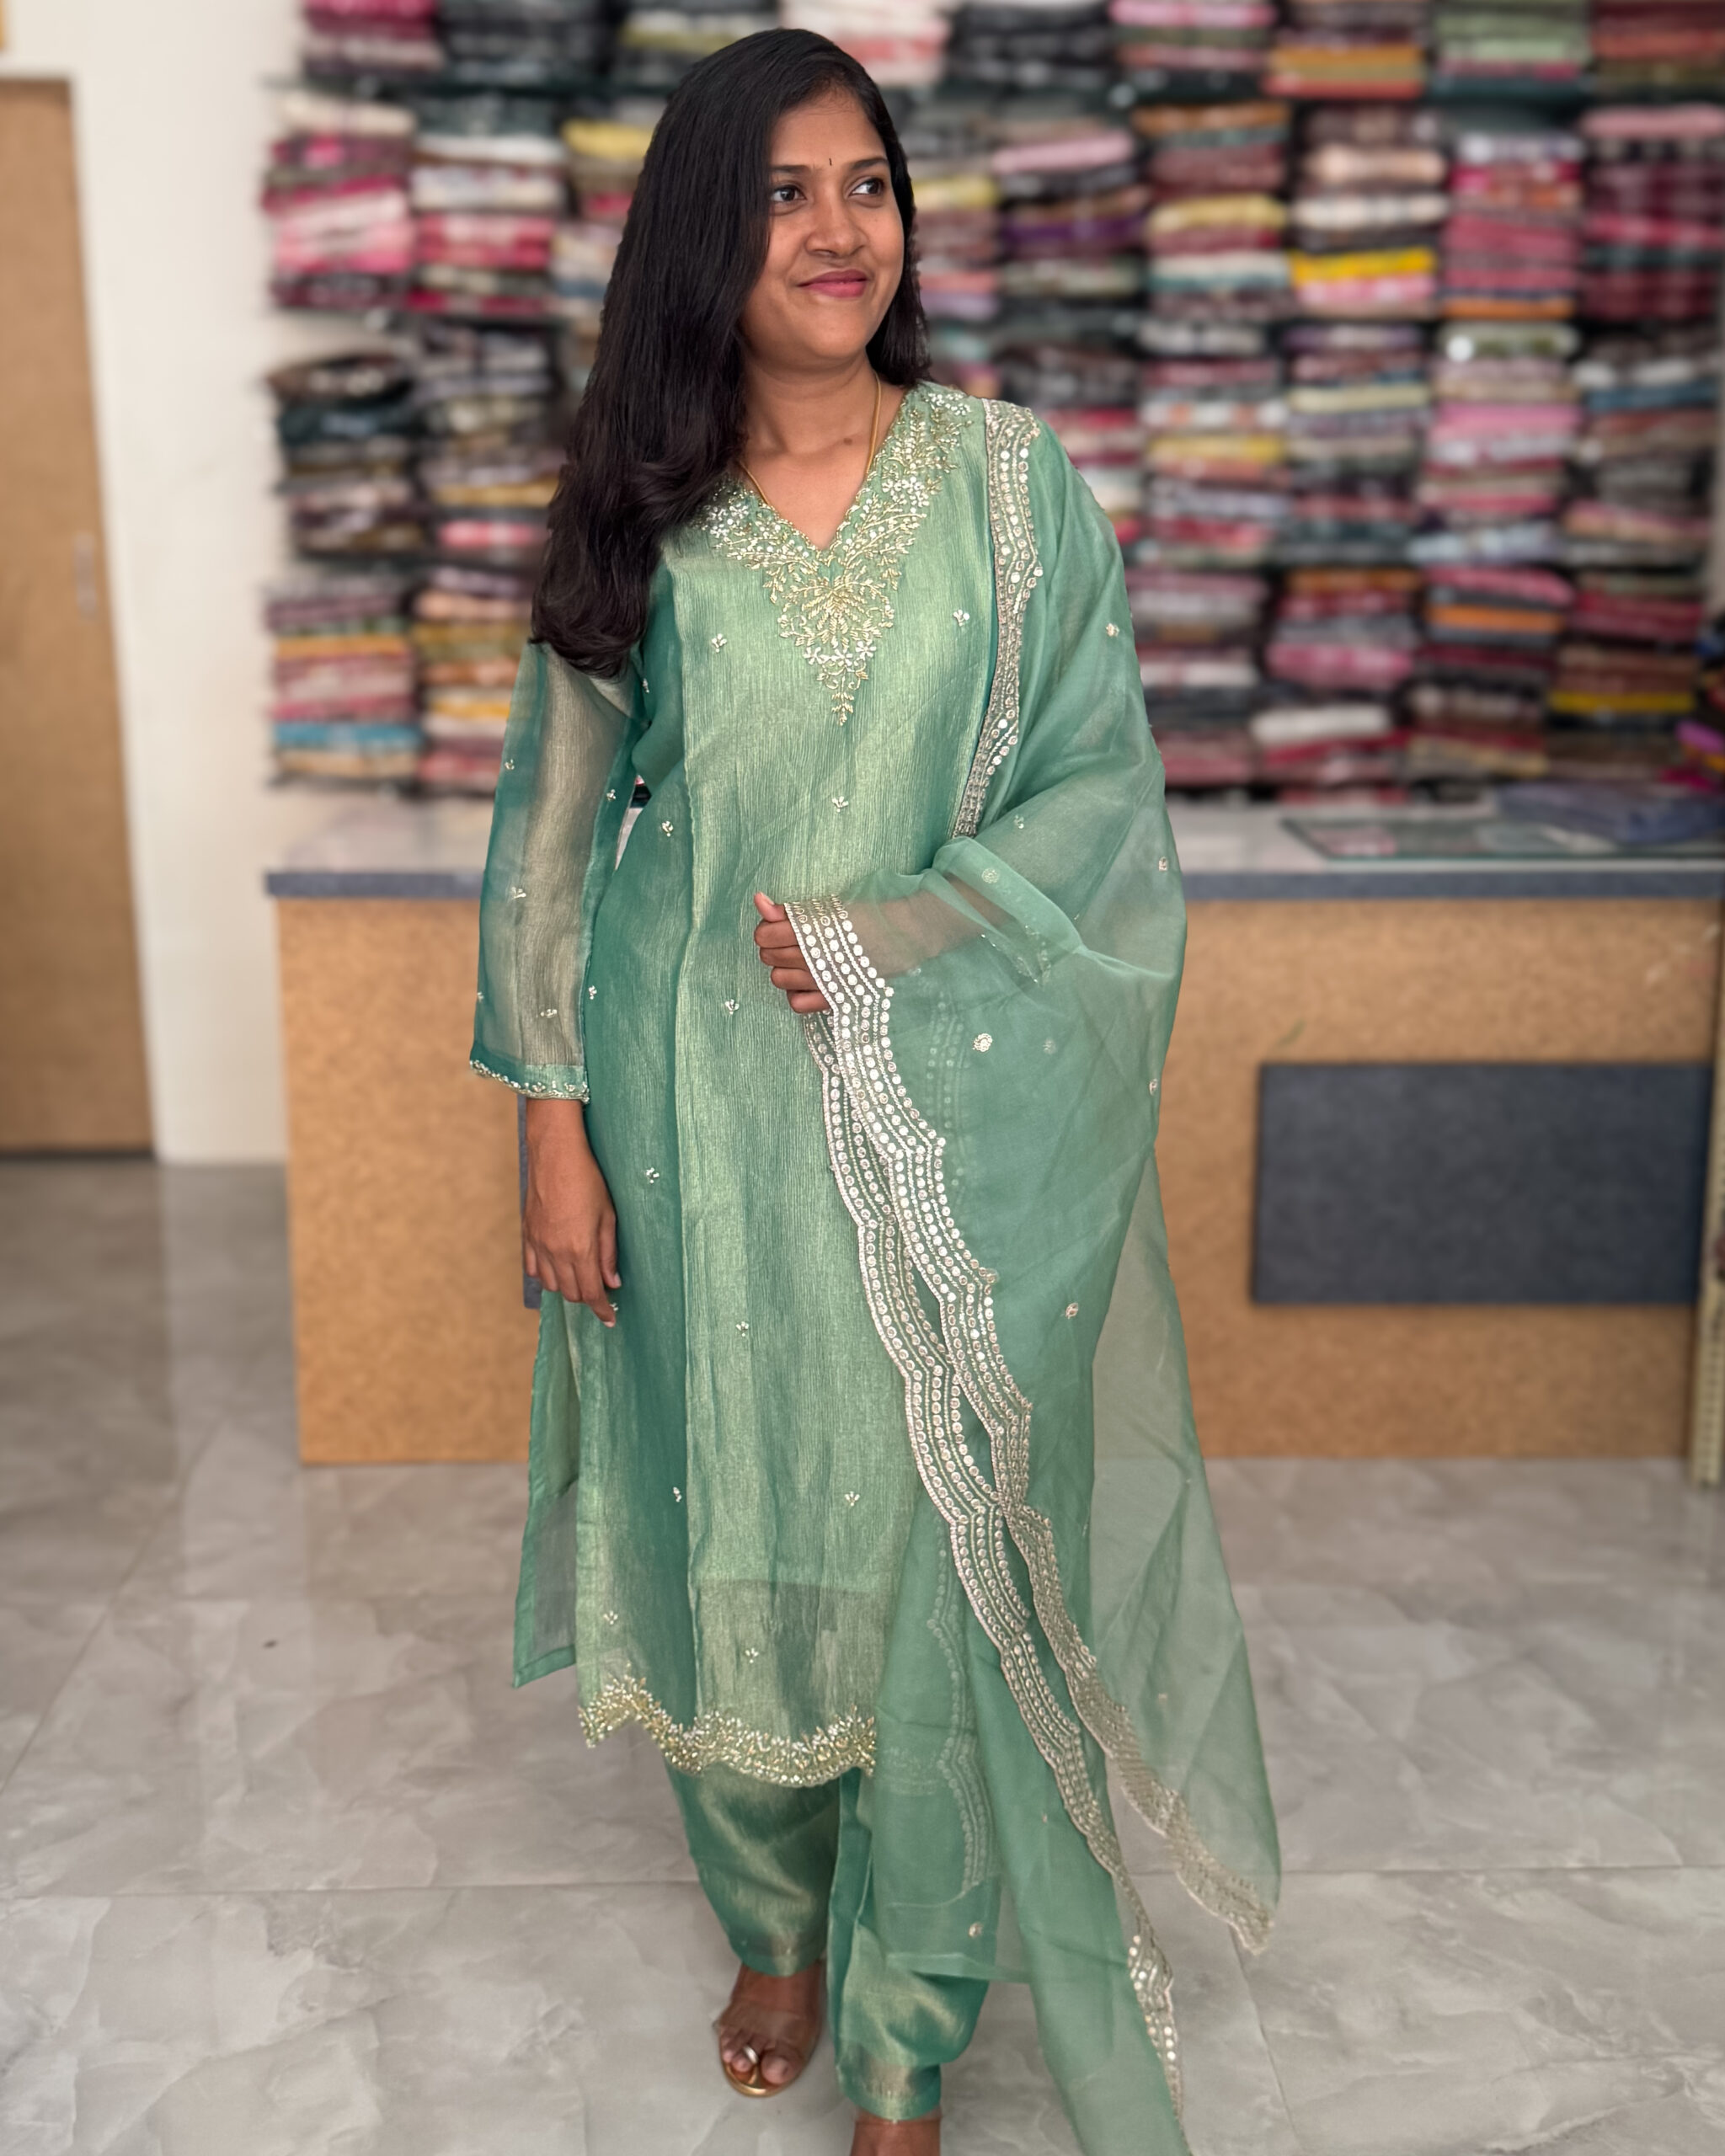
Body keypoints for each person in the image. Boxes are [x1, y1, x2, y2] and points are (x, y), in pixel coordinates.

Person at [472, 28, 1279, 2153]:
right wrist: (550, 1115)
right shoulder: (640, 507)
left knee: (936, 1545)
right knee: (721, 1502)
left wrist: (897, 927)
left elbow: (1097, 794)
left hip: (942, 1117)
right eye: (781, 194)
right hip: (687, 1112)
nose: (838, 232)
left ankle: (908, 2029)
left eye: (867, 185)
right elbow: (549, 834)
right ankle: (772, 1921)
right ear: (699, 236)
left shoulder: (1010, 485)